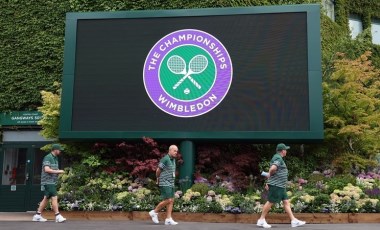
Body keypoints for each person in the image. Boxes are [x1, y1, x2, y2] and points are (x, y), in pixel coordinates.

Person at [257, 143, 306, 228]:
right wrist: (269, 174)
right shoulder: (278, 158)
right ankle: (261, 220)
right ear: (283, 151)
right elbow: (273, 168)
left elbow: (274, 171)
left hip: (280, 185)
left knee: (286, 202)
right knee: (270, 202)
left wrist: (269, 179)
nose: (286, 151)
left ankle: (293, 221)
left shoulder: (278, 158)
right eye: (285, 150)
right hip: (277, 185)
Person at [32, 144, 66, 223]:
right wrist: (59, 171)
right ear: (55, 150)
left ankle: (37, 215)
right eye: (59, 149)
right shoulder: (48, 157)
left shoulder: (55, 158)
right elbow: (46, 169)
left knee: (46, 199)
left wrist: (58, 172)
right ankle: (57, 216)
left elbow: (54, 169)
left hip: (52, 181)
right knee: (54, 197)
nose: (60, 151)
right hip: (48, 181)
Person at [149, 145, 179, 225]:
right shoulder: (165, 159)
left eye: (177, 151)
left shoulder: (173, 160)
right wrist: (158, 179)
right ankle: (154, 212)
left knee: (171, 200)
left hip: (171, 182)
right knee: (168, 200)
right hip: (164, 182)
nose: (176, 152)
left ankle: (168, 219)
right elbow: (158, 170)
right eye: (174, 151)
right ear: (170, 150)